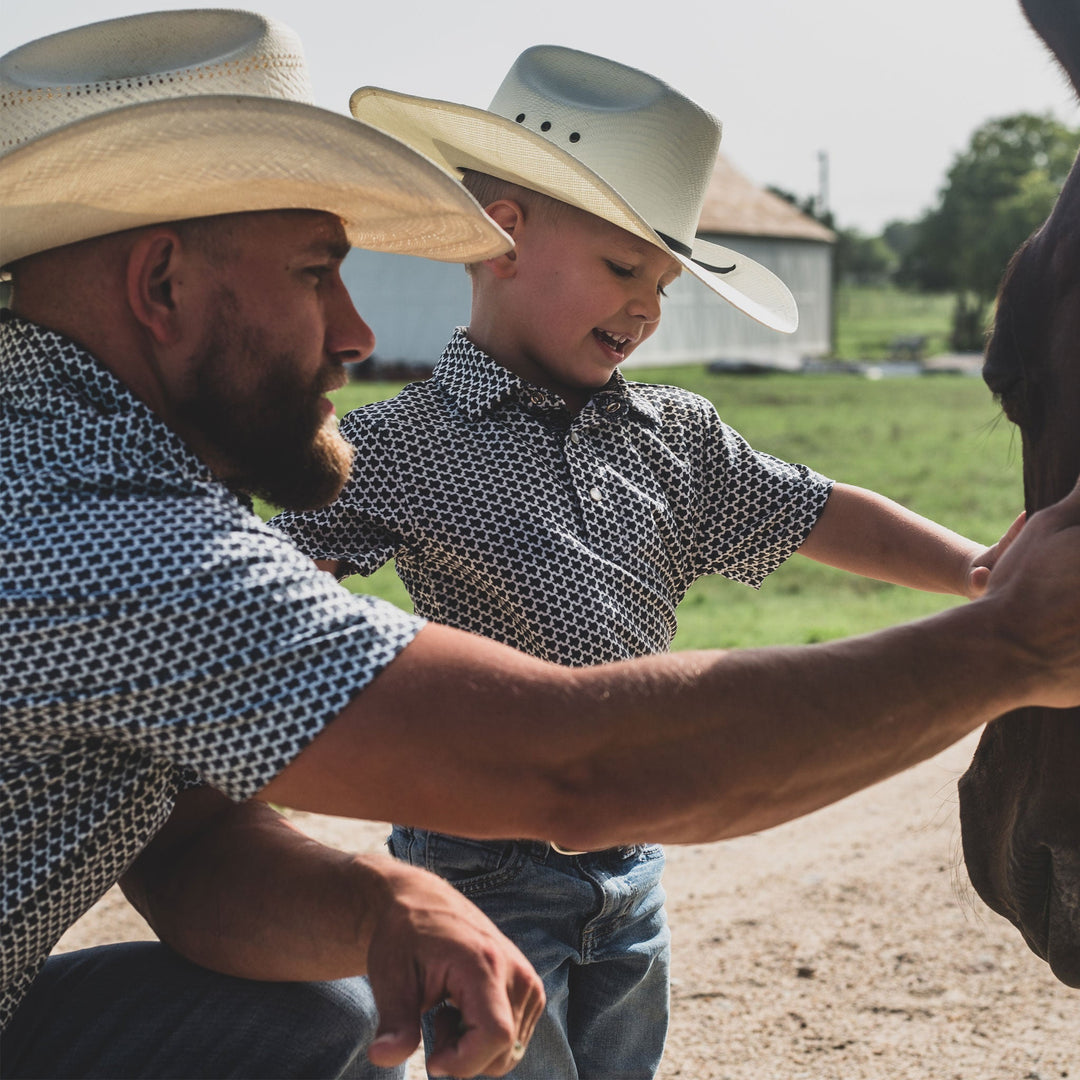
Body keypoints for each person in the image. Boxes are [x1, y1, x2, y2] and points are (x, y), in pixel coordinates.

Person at [2, 13, 1080, 1080]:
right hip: (508, 855)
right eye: (314, 271)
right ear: (161, 285)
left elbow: (187, 846)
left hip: (612, 878)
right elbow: (575, 767)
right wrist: (1009, 646)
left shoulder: (82, 473)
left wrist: (385, 898)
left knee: (325, 1016)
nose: (360, 332)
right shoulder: (95, 532)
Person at [271, 46, 1024, 1079]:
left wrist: (981, 573)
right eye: (624, 269)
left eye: (663, 283)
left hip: (633, 859)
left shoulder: (677, 433)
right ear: (501, 236)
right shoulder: (406, 442)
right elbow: (270, 574)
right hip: (476, 863)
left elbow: (816, 512)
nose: (647, 309)